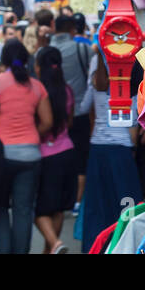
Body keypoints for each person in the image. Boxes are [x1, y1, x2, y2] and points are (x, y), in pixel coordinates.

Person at [0, 38, 52, 254]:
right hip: (31, 156)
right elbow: (47, 121)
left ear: (4, 60)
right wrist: (31, 135)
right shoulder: (37, 86)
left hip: (1, 158)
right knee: (23, 210)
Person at [80, 52, 143, 253]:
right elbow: (133, 129)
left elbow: (82, 107)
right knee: (127, 206)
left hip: (98, 150)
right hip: (123, 152)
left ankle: (94, 248)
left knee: (96, 207)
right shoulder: (131, 69)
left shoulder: (96, 67)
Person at [49, 14, 93, 211]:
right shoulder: (82, 49)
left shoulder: (45, 51)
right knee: (81, 157)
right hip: (80, 111)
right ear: (71, 29)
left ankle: (57, 197)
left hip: (52, 114)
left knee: (55, 155)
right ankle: (76, 200)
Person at [34, 46, 75, 254]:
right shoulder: (67, 90)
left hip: (44, 155)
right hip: (66, 152)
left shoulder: (37, 91)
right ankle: (50, 249)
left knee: (36, 208)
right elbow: (69, 121)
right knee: (57, 207)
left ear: (39, 67)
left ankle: (54, 244)